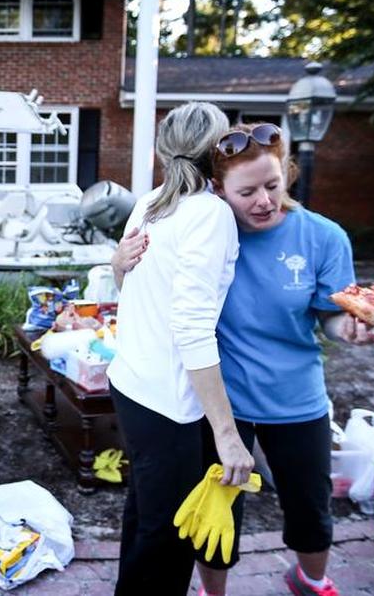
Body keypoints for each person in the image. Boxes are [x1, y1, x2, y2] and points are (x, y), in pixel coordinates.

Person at [113, 122, 374, 596]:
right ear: (218, 188)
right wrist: (119, 264)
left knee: (311, 508)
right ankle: (212, 593)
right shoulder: (207, 225)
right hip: (225, 402)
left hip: (296, 396)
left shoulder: (324, 237)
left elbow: (330, 316)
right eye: (248, 191)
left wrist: (352, 330)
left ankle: (311, 578)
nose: (263, 201)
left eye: (273, 186)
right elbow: (165, 302)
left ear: (288, 176)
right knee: (218, 516)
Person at [106, 102, 255, 595]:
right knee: (167, 538)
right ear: (217, 152)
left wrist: (116, 269)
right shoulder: (207, 214)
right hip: (167, 401)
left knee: (146, 518)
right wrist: (227, 434)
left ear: (160, 151)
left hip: (131, 384)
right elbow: (192, 328)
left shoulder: (149, 203)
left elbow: (132, 292)